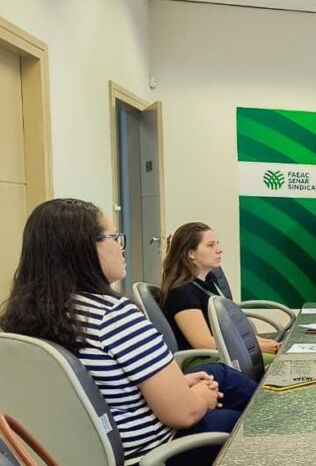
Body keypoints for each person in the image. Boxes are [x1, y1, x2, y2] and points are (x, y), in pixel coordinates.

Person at [0, 199, 256, 465]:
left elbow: (103, 386)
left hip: (71, 453)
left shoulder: (22, 319)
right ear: (84, 249)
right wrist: (201, 398)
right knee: (242, 424)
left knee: (219, 376)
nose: (121, 246)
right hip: (151, 454)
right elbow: (184, 414)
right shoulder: (113, 316)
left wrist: (181, 386)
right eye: (114, 238)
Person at [160, 222, 280, 358]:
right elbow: (203, 343)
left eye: (217, 243)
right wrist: (257, 347)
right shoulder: (182, 293)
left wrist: (265, 343)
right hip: (209, 359)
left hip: (228, 352)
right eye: (211, 245)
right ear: (191, 253)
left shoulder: (209, 280)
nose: (219, 250)